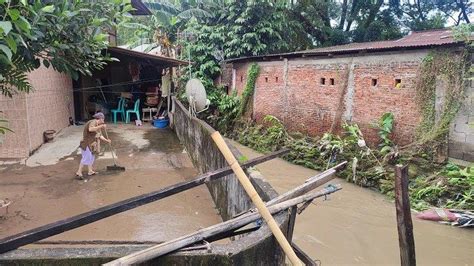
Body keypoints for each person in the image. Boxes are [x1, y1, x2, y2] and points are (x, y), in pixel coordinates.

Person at [76, 112, 111, 179]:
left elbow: (100, 135)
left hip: (91, 144)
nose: (103, 121)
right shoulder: (93, 122)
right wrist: (101, 126)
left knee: (92, 157)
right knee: (86, 157)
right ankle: (79, 172)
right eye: (103, 119)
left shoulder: (98, 126)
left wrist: (107, 140)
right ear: (100, 119)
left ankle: (90, 171)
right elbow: (90, 129)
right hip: (86, 143)